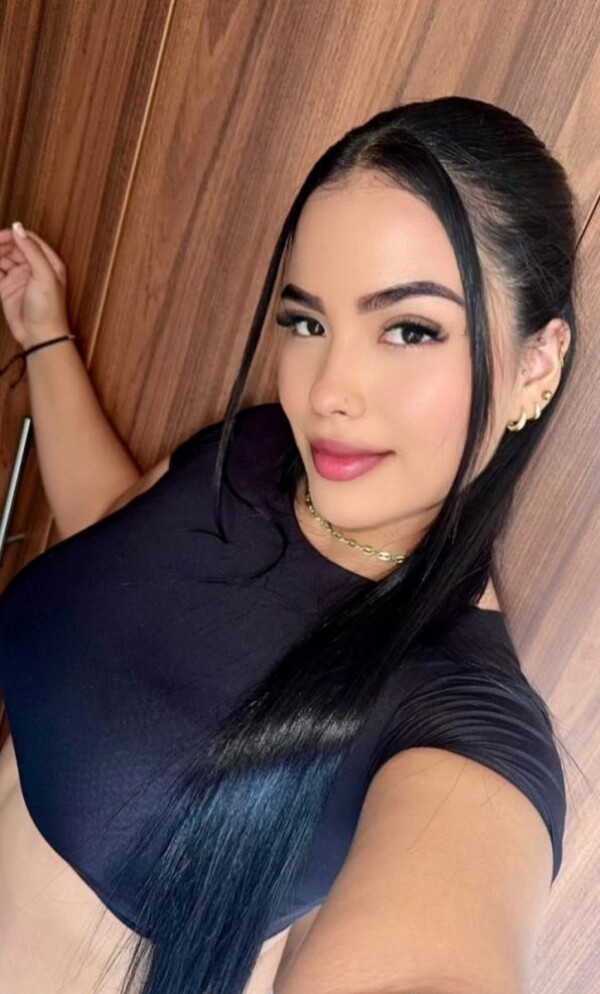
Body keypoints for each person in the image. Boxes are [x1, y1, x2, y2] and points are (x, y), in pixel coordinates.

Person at [0, 95, 579, 994]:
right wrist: (45, 333)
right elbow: (117, 527)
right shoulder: (264, 448)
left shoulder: (459, 720)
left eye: (410, 329)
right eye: (308, 322)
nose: (327, 391)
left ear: (536, 365)